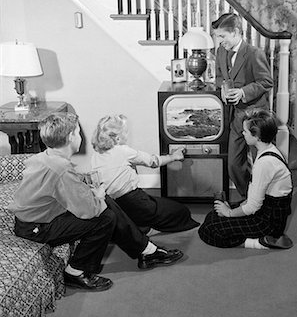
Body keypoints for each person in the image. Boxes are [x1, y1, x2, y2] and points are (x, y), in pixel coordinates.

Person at [10, 113, 184, 293]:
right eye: (78, 132)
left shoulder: (46, 157)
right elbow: (91, 211)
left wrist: (95, 192)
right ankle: (76, 271)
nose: (80, 137)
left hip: (36, 220)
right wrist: (98, 196)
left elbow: (59, 186)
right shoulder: (60, 170)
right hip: (37, 228)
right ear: (71, 137)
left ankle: (146, 251)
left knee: (105, 202)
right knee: (105, 217)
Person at [198, 109, 293, 250]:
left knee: (209, 230)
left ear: (256, 136)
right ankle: (256, 236)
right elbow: (255, 197)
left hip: (268, 222)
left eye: (246, 132)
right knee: (213, 215)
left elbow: (253, 207)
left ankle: (260, 242)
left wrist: (229, 213)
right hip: (267, 208)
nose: (243, 133)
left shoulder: (264, 163)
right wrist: (229, 211)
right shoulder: (269, 150)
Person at [91, 114, 199, 234]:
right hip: (134, 201)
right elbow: (153, 161)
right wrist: (173, 156)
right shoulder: (124, 151)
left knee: (152, 204)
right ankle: (145, 228)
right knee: (181, 211)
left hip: (114, 206)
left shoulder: (95, 155)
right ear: (117, 138)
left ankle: (136, 226)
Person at [212, 13, 273, 200]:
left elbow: (266, 81)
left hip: (256, 116)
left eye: (222, 36)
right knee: (233, 164)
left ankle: (266, 199)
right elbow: (220, 76)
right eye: (217, 36)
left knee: (261, 163)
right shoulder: (220, 52)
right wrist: (222, 88)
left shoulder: (254, 53)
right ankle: (249, 197)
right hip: (236, 116)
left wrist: (243, 92)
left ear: (236, 32)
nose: (219, 41)